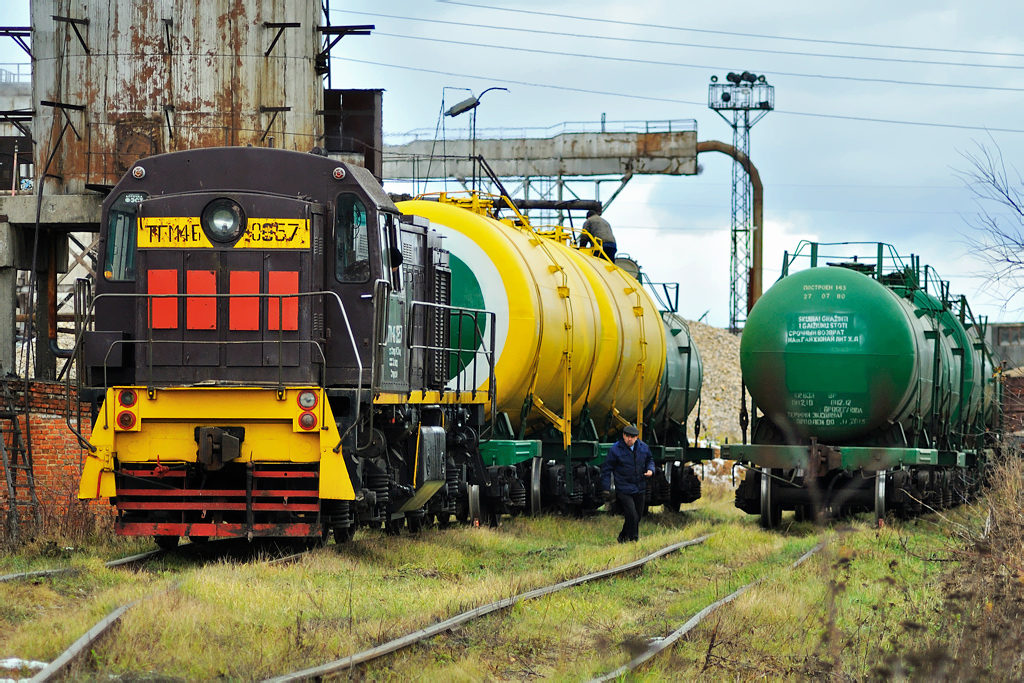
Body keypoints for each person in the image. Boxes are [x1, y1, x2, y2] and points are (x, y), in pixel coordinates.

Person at [600, 424, 654, 543]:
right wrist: (606, 489)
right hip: (624, 488)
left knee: (638, 516)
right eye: (627, 436)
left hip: (640, 486)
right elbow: (606, 469)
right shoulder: (615, 449)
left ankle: (622, 537)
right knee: (631, 515)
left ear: (637, 437)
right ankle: (633, 539)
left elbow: (650, 460)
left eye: (632, 437)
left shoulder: (643, 447)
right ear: (623, 436)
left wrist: (651, 470)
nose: (630, 439)